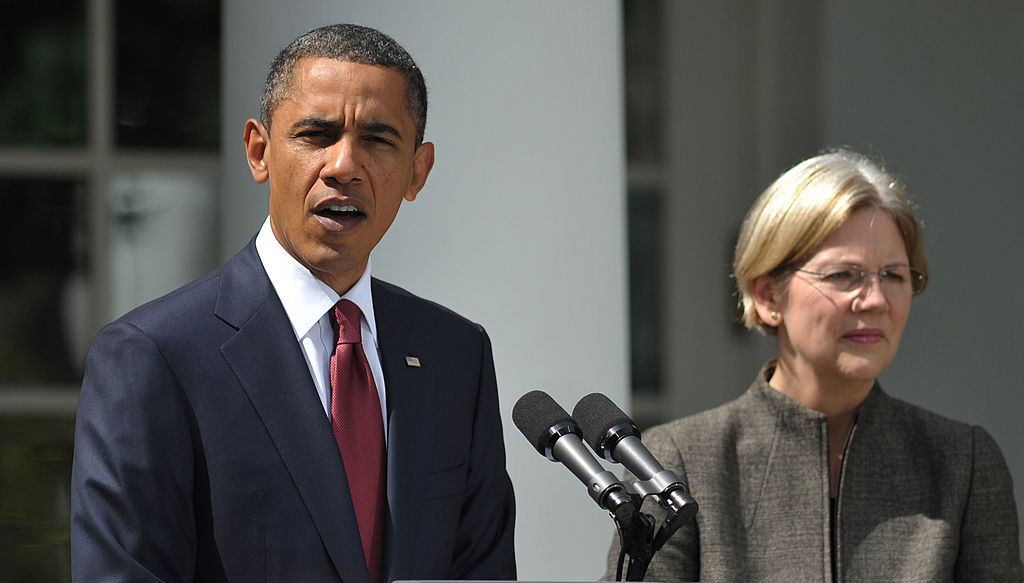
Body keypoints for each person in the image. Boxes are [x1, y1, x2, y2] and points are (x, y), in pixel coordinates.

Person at [72, 24, 516, 582]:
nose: (343, 166)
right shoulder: (153, 356)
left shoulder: (456, 353)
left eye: (378, 140)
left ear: (417, 171)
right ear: (259, 152)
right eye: (316, 134)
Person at [606, 150, 1022, 582]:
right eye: (844, 275)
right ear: (769, 297)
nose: (876, 300)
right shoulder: (681, 461)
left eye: (894, 276)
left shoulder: (961, 463)